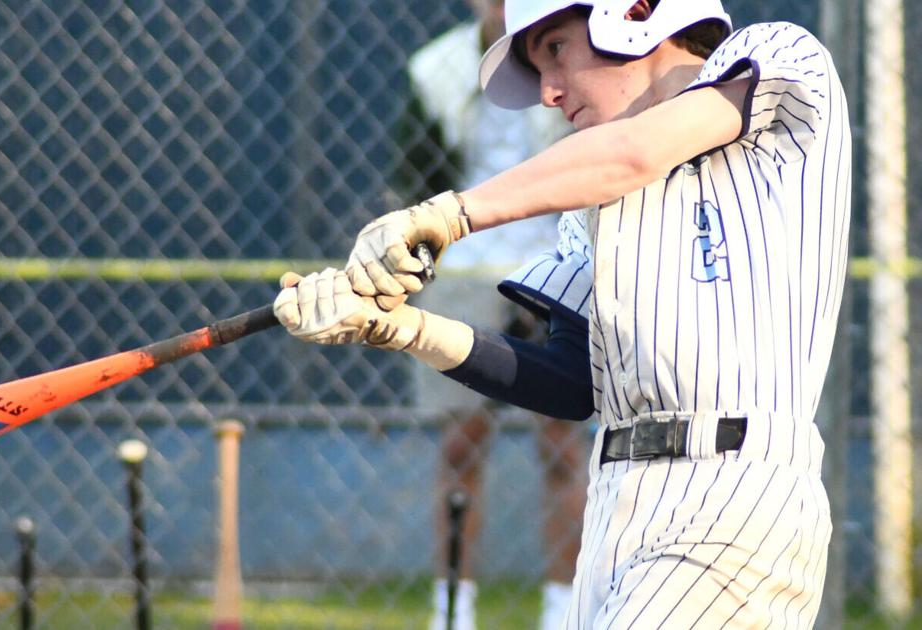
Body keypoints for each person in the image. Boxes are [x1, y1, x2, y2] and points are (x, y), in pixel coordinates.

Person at [275, 0, 850, 627]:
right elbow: (571, 381)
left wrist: (447, 214)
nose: (547, 92)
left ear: (635, 11)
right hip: (615, 509)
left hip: (733, 491)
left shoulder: (781, 57)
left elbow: (635, 152)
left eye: (555, 49)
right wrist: (402, 329)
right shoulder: (590, 211)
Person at [392, 2, 586, 628]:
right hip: (467, 267)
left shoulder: (564, 57)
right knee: (460, 446)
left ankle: (564, 608)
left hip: (552, 263)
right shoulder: (437, 70)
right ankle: (453, 609)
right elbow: (411, 180)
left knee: (562, 444)